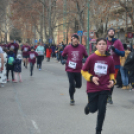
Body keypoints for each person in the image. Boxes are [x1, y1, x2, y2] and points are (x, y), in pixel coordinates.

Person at [81, 38, 115, 134]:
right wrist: (92, 78)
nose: (101, 46)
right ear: (96, 46)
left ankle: (98, 131)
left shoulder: (109, 59)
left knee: (102, 110)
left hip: (104, 88)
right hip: (92, 88)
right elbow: (83, 71)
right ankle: (88, 107)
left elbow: (112, 73)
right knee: (93, 109)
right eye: (99, 44)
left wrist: (112, 81)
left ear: (106, 46)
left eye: (103, 44)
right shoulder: (92, 58)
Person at [62, 34, 88, 105]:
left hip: (79, 69)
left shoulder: (82, 47)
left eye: (76, 38)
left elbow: (86, 56)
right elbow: (62, 55)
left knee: (79, 85)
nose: (75, 40)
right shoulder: (68, 47)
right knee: (72, 84)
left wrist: (84, 59)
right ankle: (72, 98)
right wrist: (63, 60)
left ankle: (73, 87)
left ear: (78, 40)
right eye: (73, 38)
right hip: (69, 69)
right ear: (72, 40)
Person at [106, 28, 125, 104]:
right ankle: (104, 95)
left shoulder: (118, 42)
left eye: (112, 31)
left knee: (112, 81)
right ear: (108, 33)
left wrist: (115, 49)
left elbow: (122, 53)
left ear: (114, 33)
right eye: (110, 31)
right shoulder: (104, 41)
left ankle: (109, 96)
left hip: (115, 65)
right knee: (104, 80)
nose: (111, 32)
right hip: (105, 65)